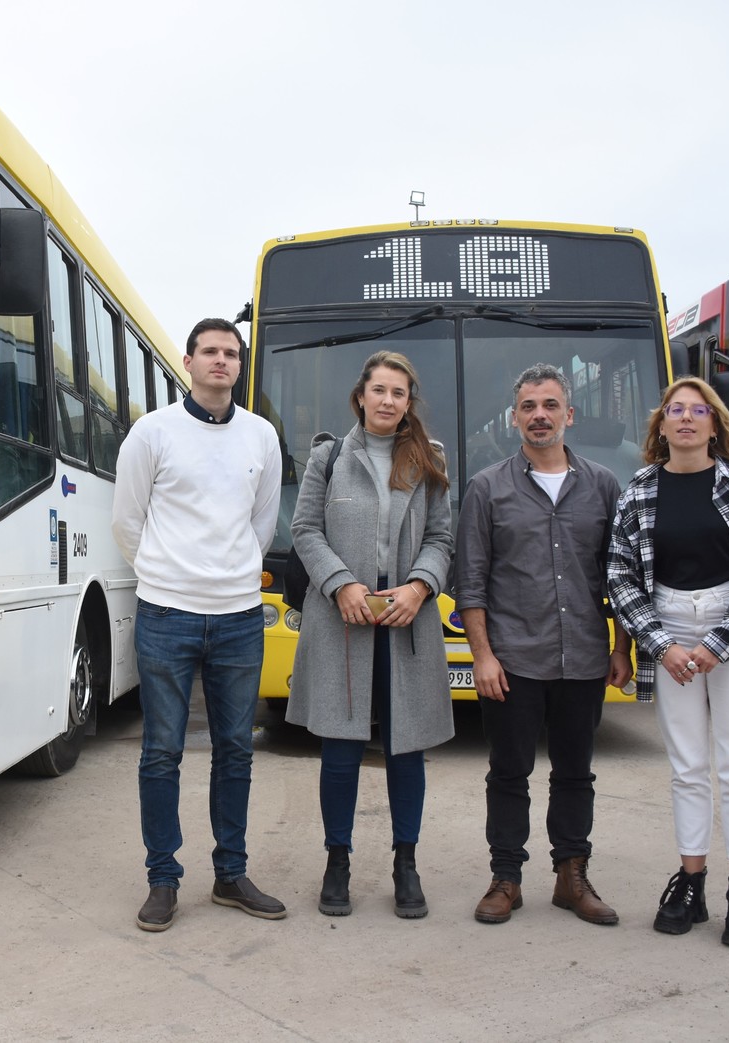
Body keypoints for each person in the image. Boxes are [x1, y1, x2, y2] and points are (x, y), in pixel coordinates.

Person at [112, 317, 286, 932]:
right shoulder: (153, 432)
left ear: (240, 366)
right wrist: (167, 574)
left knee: (236, 749)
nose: (221, 361)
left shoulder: (262, 436)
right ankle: (163, 880)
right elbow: (127, 519)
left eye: (230, 353)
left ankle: (230, 874)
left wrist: (229, 575)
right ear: (188, 362)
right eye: (209, 352)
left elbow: (262, 524)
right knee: (161, 752)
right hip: (167, 614)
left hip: (239, 616)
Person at [606, 377, 729, 948]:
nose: (686, 418)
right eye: (675, 410)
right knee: (686, 766)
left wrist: (720, 643)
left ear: (715, 425)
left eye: (698, 411)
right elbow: (620, 576)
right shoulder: (638, 491)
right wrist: (662, 644)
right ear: (660, 426)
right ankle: (690, 880)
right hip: (670, 629)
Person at [455, 363, 634, 926]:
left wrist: (622, 648)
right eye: (529, 407)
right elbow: (471, 581)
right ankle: (506, 877)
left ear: (569, 414)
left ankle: (570, 877)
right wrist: (482, 656)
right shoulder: (487, 488)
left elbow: (622, 575)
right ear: (515, 419)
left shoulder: (604, 485)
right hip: (512, 661)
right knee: (508, 773)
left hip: (582, 656)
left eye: (550, 405)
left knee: (575, 773)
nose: (540, 416)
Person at [286, 350, 454, 919]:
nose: (387, 401)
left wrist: (418, 588)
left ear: (409, 402)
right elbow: (305, 529)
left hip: (407, 619)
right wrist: (340, 585)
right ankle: (338, 861)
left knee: (408, 750)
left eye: (398, 393)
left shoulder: (428, 459)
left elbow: (441, 539)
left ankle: (406, 864)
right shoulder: (329, 456)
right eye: (378, 390)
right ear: (361, 395)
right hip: (344, 620)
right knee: (340, 749)